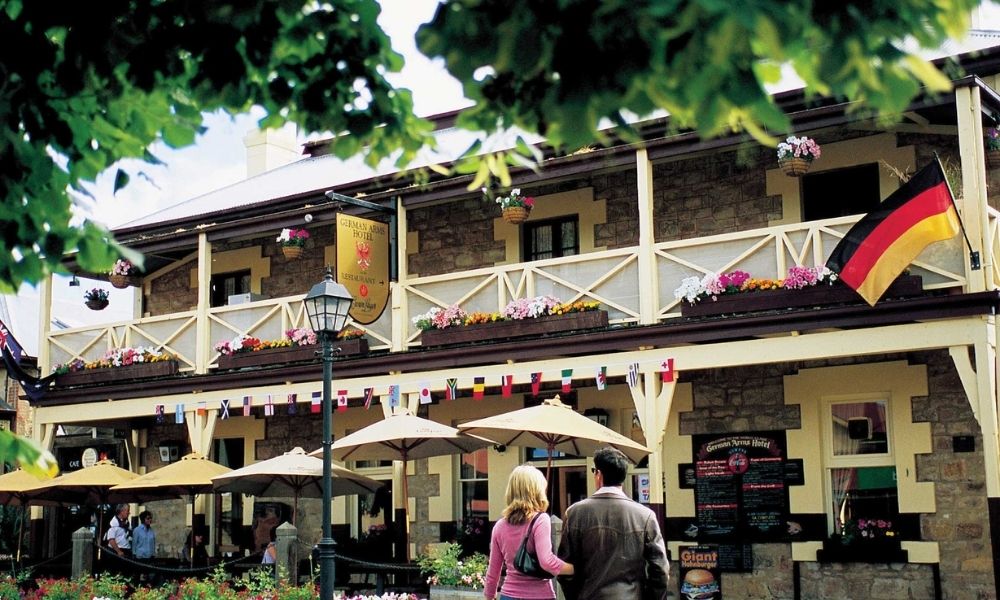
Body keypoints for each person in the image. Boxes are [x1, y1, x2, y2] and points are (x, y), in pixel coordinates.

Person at [557, 446, 670, 600]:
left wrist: (575, 595)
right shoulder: (645, 516)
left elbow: (564, 569)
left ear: (598, 474)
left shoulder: (575, 513)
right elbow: (660, 570)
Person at [484, 465, 574, 600]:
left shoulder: (499, 526)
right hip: (539, 595)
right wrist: (575, 569)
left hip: (508, 595)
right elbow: (547, 562)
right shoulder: (540, 520)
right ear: (536, 491)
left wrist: (489, 596)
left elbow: (493, 572)